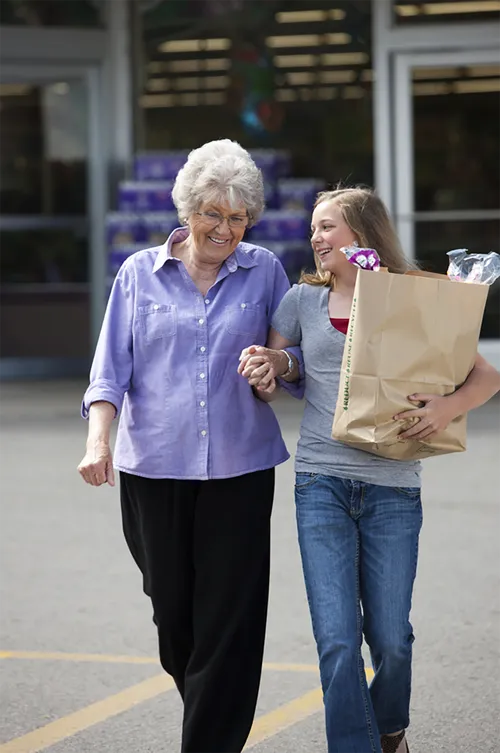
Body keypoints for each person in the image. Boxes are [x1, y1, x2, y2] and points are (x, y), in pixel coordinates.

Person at [239, 187, 500, 753]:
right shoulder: (302, 301)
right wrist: (268, 369)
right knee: (336, 641)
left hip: (394, 486)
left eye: (328, 226)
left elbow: (485, 375)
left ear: (363, 233)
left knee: (392, 638)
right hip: (320, 482)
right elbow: (279, 373)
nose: (316, 238)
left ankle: (389, 729)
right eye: (314, 228)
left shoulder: (410, 297)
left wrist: (447, 408)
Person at [77, 139, 303, 753]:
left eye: (237, 217)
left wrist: (276, 368)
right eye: (212, 213)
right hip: (152, 469)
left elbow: (294, 361)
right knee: (173, 619)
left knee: (229, 624)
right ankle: (213, 715)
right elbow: (108, 375)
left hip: (241, 469)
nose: (224, 228)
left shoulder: (266, 272)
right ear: (186, 211)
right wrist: (99, 443)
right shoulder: (137, 275)